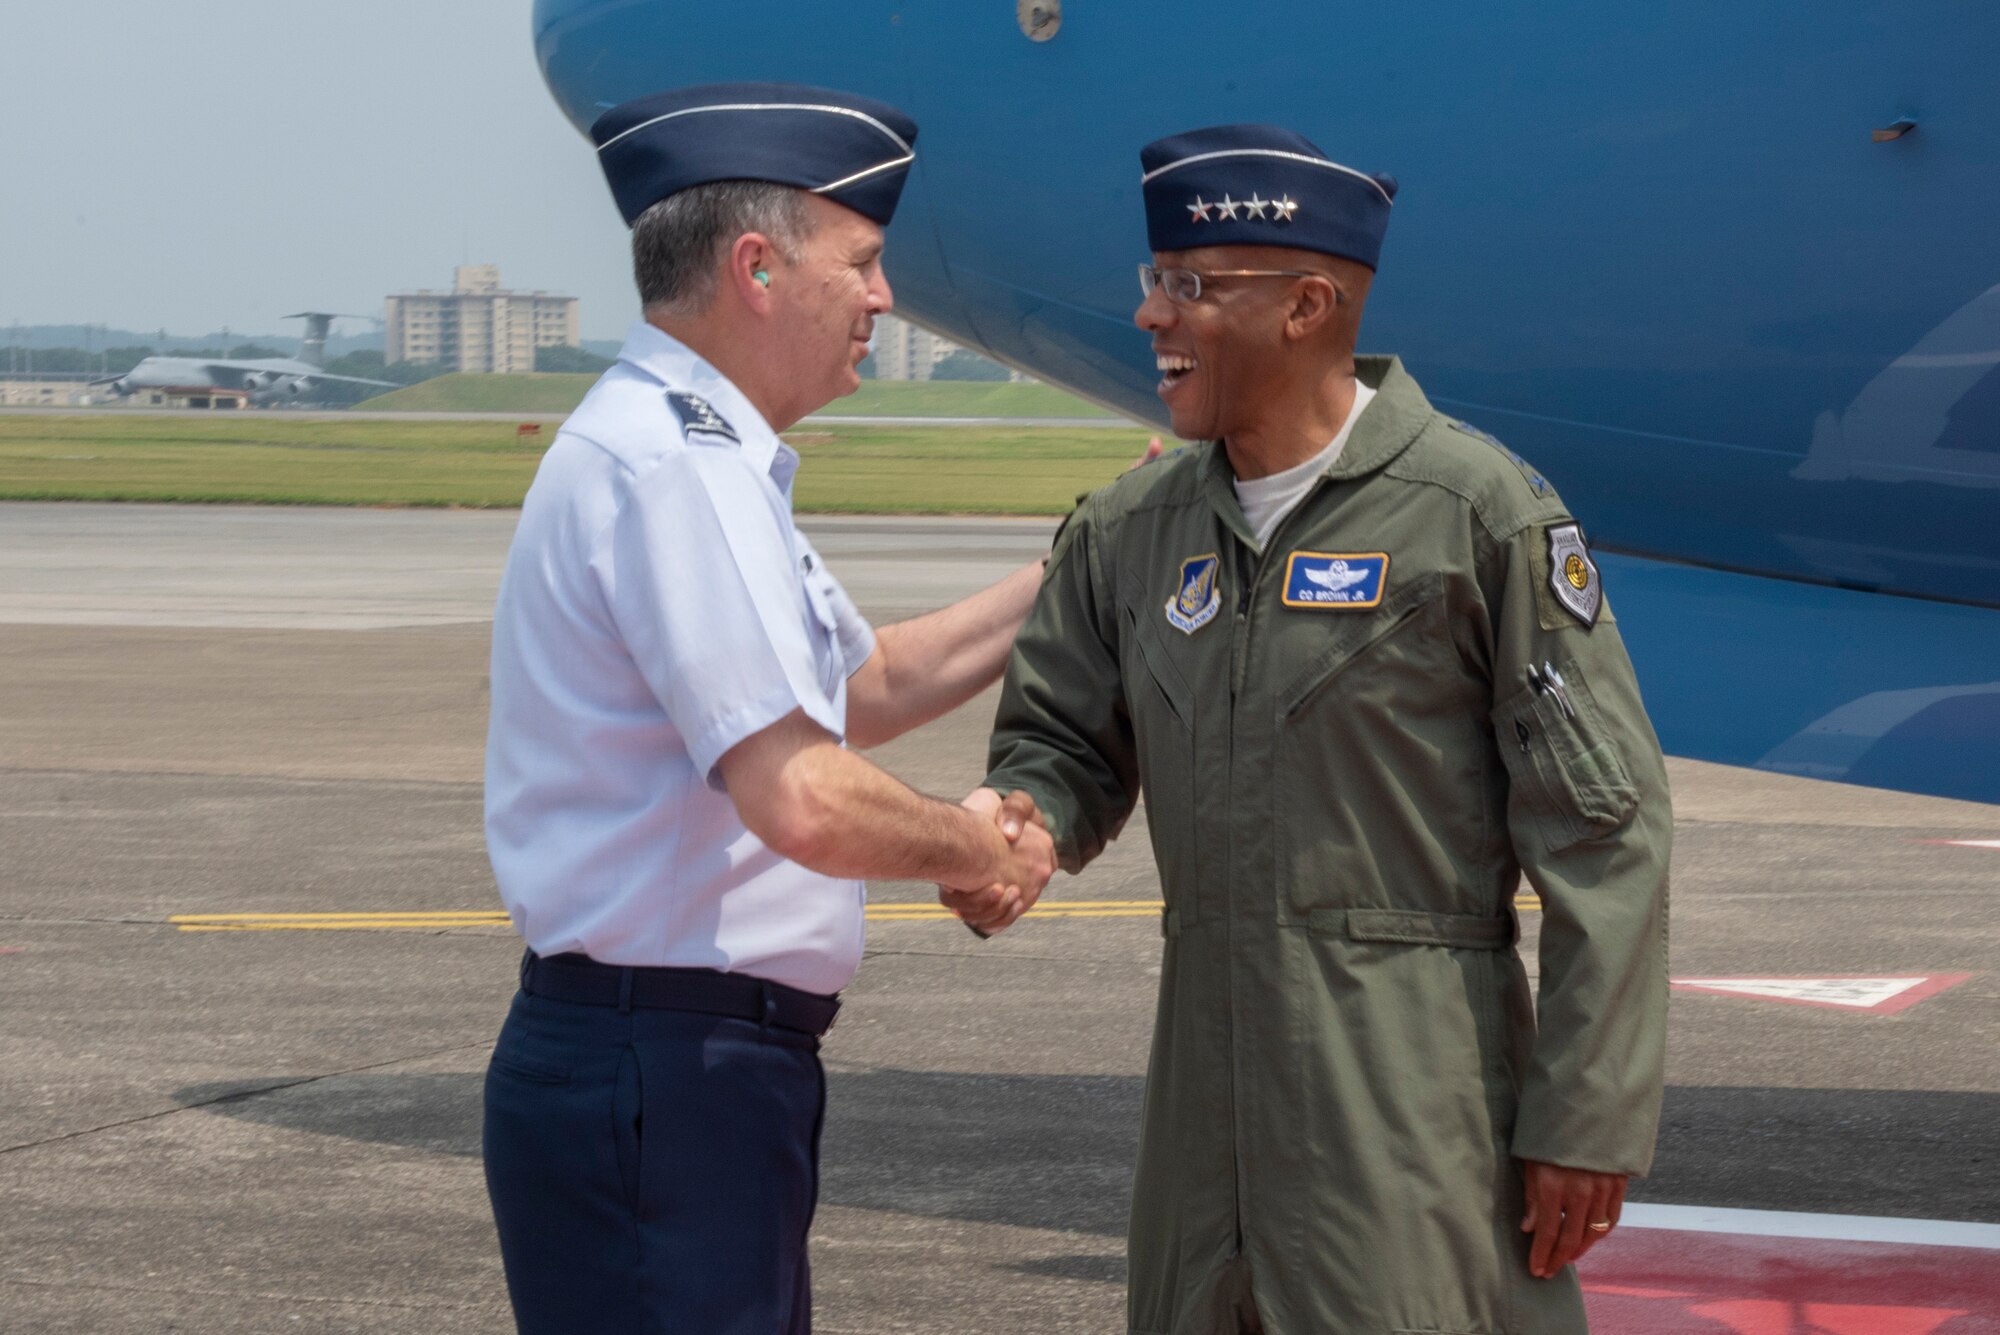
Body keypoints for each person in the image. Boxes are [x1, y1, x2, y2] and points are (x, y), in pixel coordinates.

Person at [955, 123, 1672, 1333]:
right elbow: (1060, 745)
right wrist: (1019, 828)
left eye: (1189, 287)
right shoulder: (1129, 530)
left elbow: (1604, 835)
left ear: (1305, 306)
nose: (1150, 317)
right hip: (1201, 1129)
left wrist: (1582, 1120)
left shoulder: (1474, 517)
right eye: (1152, 281)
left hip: (1407, 1122)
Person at [480, 82, 1056, 1335]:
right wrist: (977, 850)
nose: (882, 298)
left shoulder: (691, 453)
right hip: (664, 1075)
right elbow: (797, 788)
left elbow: (856, 691)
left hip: (683, 1070)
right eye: (860, 263)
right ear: (755, 267)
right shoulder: (677, 471)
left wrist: (1076, 570)